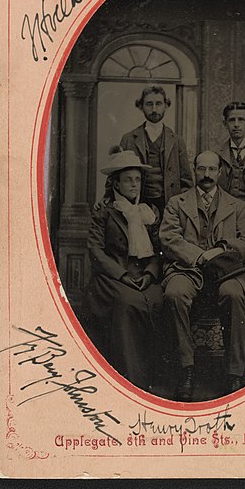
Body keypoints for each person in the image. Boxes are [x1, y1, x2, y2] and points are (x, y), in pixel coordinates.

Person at [159, 150, 245, 401]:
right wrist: (196, 254)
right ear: (194, 170)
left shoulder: (238, 207)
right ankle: (187, 370)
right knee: (174, 294)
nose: (206, 175)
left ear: (220, 172)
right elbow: (169, 238)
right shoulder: (177, 203)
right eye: (201, 169)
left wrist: (222, 249)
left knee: (235, 295)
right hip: (188, 268)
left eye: (211, 169)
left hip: (226, 271)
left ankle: (234, 373)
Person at [84, 149, 163, 391]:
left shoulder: (147, 213)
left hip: (143, 275)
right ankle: (130, 379)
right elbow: (95, 251)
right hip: (112, 277)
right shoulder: (104, 212)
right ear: (116, 182)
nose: (134, 185)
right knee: (129, 303)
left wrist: (150, 273)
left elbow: (159, 250)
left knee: (159, 299)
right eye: (128, 179)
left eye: (137, 179)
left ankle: (156, 378)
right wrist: (122, 275)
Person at [118, 85, 193, 215]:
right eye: (149, 104)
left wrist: (182, 207)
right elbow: (116, 175)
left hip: (168, 204)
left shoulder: (176, 141)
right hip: (137, 202)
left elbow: (186, 181)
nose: (154, 109)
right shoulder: (128, 139)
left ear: (166, 106)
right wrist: (108, 199)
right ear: (141, 107)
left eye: (158, 104)